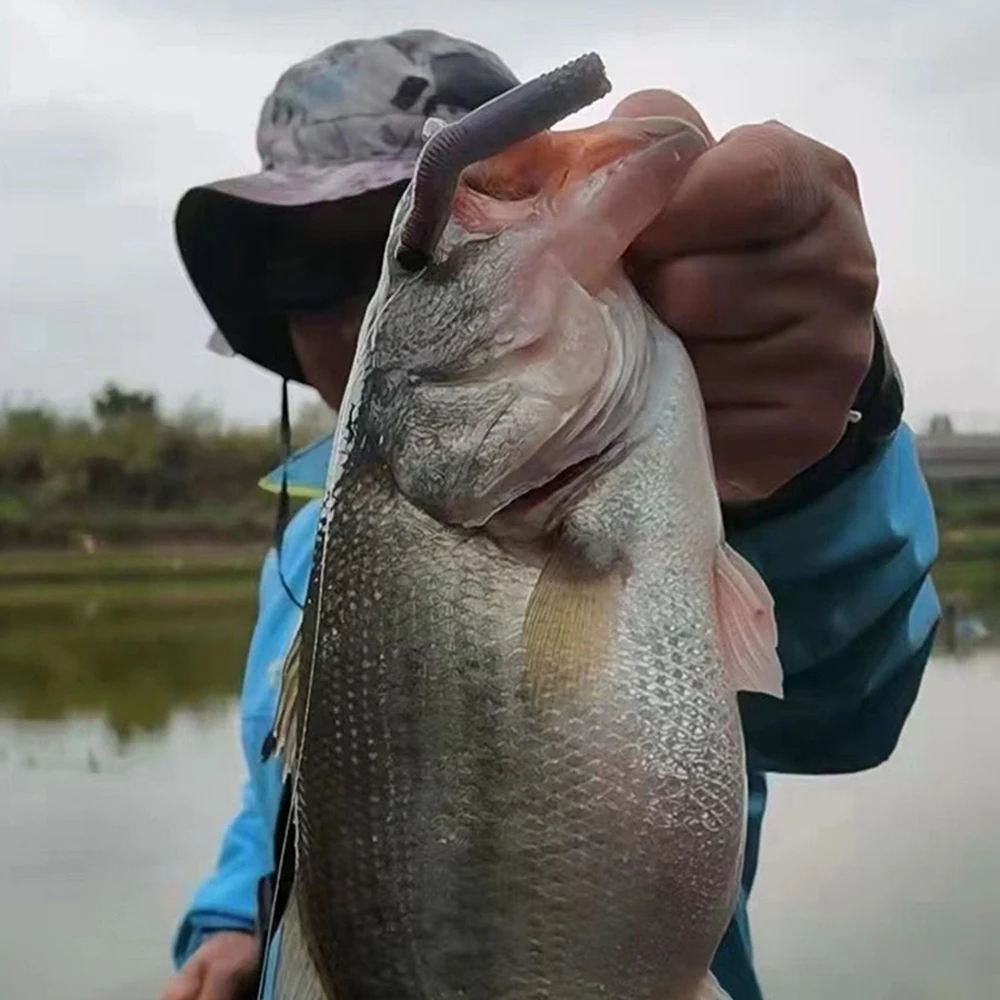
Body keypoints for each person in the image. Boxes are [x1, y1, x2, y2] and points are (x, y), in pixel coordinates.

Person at [160, 28, 940, 1000]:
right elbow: (300, 794)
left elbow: (844, 705)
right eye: (311, 270)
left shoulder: (667, 469)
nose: (363, 307)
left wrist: (815, 461)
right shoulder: (300, 546)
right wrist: (237, 920)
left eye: (392, 250)